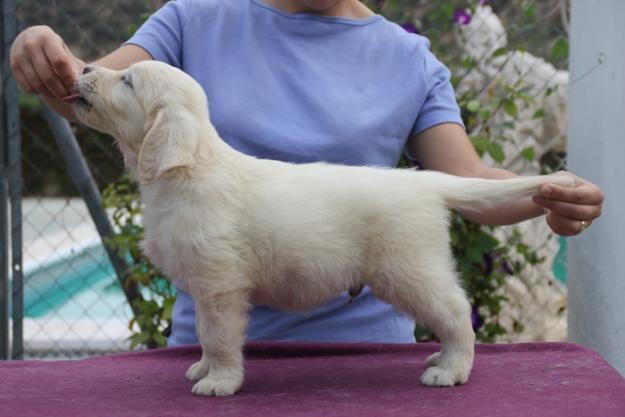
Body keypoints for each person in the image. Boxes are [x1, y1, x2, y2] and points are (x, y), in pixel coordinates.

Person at [10, 0, 604, 346]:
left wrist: (545, 195)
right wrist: (44, 54)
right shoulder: (194, 17)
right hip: (218, 346)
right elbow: (89, 89)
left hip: (365, 355)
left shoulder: (409, 60)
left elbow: (470, 182)